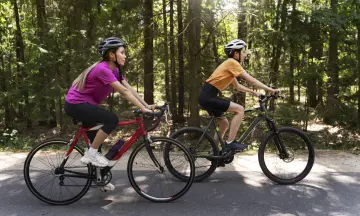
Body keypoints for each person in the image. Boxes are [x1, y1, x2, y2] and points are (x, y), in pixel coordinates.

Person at [64, 37, 154, 191]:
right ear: (112, 55)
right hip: (75, 104)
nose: (125, 56)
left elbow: (129, 88)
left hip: (84, 105)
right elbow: (124, 92)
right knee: (112, 119)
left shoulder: (116, 70)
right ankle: (90, 154)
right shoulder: (103, 69)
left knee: (96, 143)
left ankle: (99, 178)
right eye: (122, 53)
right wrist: (143, 109)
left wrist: (147, 106)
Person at [198, 39, 278, 151]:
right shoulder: (232, 63)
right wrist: (271, 90)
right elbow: (251, 80)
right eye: (243, 52)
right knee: (240, 109)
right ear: (236, 53)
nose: (245, 54)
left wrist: (253, 92)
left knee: (224, 123)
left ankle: (214, 151)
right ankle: (230, 143)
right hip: (208, 97)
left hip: (207, 96)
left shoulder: (229, 65)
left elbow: (238, 86)